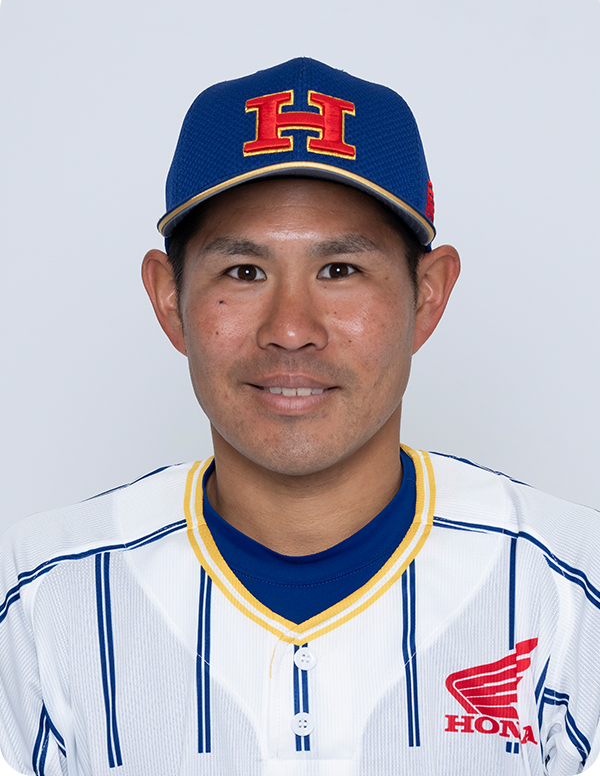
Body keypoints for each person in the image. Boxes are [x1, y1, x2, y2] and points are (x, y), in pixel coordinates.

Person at [1, 57, 599, 776]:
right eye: (244, 272)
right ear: (169, 300)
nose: (290, 330)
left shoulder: (573, 592)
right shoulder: (34, 600)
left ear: (428, 295)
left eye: (340, 270)